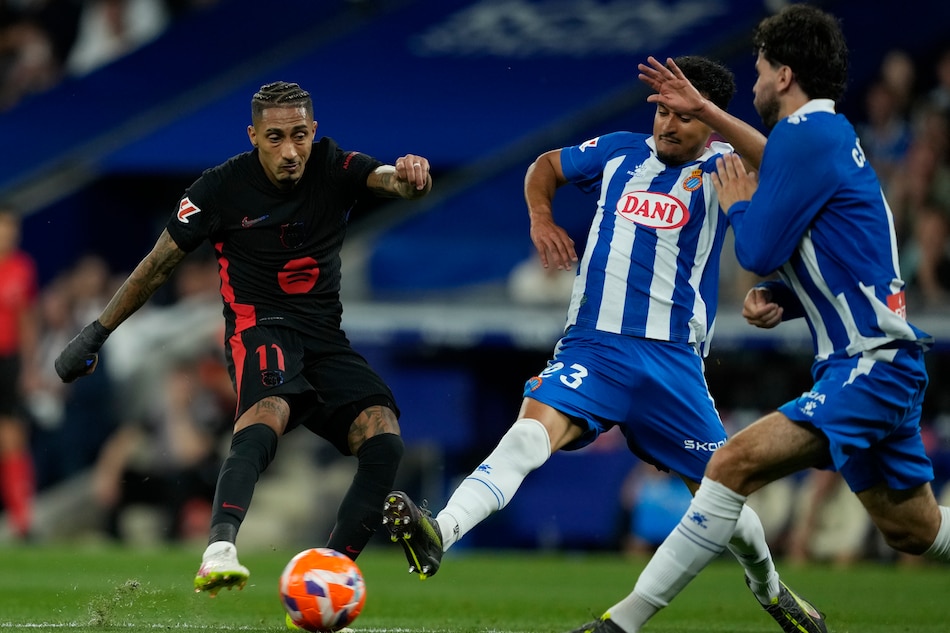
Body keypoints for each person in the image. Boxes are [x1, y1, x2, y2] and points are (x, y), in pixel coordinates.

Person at [381, 56, 824, 633]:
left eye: (682, 117)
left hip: (673, 365)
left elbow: (788, 163)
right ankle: (441, 531)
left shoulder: (727, 165)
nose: (666, 126)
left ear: (707, 121)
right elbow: (545, 165)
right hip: (595, 348)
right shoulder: (619, 149)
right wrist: (542, 218)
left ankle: (770, 589)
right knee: (525, 436)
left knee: (725, 495)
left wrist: (709, 112)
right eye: (662, 112)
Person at [568, 6, 950, 633]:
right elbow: (852, 260)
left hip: (869, 368)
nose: (752, 83)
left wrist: (740, 205)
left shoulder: (809, 138)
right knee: (913, 530)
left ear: (784, 76)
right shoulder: (827, 137)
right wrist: (793, 299)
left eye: (760, 70)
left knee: (729, 464)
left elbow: (759, 252)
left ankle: (621, 625)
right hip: (883, 361)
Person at [54, 81, 432, 597]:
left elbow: (391, 181)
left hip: (324, 336)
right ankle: (219, 549)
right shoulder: (218, 190)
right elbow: (157, 265)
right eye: (275, 137)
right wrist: (95, 334)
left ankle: (329, 574)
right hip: (261, 328)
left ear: (314, 132)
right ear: (253, 136)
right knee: (268, 413)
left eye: (300, 135)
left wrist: (411, 176)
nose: (291, 150)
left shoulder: (333, 166)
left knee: (384, 436)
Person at [0, 207, 39, 540]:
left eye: (12, 227)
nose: (8, 234)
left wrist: (28, 367)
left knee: (12, 439)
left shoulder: (22, 267)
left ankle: (22, 521)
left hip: (8, 361)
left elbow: (27, 320)